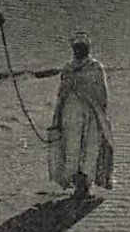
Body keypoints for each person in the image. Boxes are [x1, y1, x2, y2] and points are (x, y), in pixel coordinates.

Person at [48, 32, 114, 199]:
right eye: (76, 47)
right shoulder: (68, 68)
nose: (78, 50)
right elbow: (61, 93)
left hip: (92, 114)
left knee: (90, 148)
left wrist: (100, 114)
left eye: (82, 47)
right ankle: (76, 185)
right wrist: (58, 115)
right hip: (71, 114)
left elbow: (102, 93)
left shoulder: (96, 67)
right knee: (72, 149)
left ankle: (86, 185)